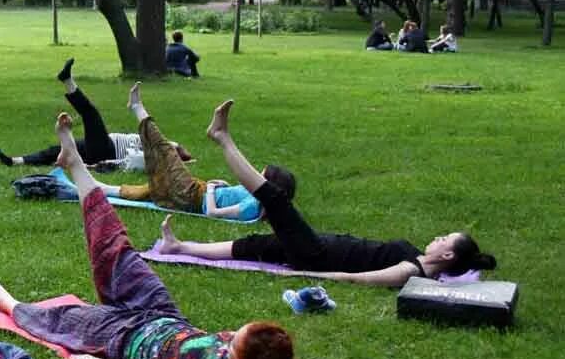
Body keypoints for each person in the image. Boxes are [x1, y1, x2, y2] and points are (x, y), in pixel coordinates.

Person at [0, 112, 294, 359]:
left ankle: (3, 298)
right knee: (116, 246)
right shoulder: (259, 358)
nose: (230, 337)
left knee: (59, 320)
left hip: (124, 337)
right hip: (162, 315)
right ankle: (74, 162)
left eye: (234, 341)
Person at [158, 99, 497, 286]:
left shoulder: (413, 271)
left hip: (317, 256)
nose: (438, 238)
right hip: (319, 245)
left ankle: (222, 138)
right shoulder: (418, 258)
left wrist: (310, 275)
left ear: (449, 256)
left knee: (274, 199)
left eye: (444, 239)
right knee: (257, 246)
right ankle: (179, 247)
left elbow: (358, 278)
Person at [101, 83, 295, 221]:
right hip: (195, 191)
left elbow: (211, 213)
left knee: (167, 151)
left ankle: (137, 107)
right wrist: (222, 186)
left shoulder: (252, 207)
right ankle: (94, 189)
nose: (256, 176)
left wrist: (211, 189)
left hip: (191, 195)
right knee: (146, 191)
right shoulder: (254, 197)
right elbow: (229, 197)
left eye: (261, 175)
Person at [0, 60, 195, 171]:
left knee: (91, 114)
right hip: (102, 146)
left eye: (173, 147)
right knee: (56, 150)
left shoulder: (153, 157)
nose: (170, 143)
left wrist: (97, 166)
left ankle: (67, 81)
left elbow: (125, 163)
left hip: (105, 150)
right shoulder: (157, 146)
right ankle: (14, 161)